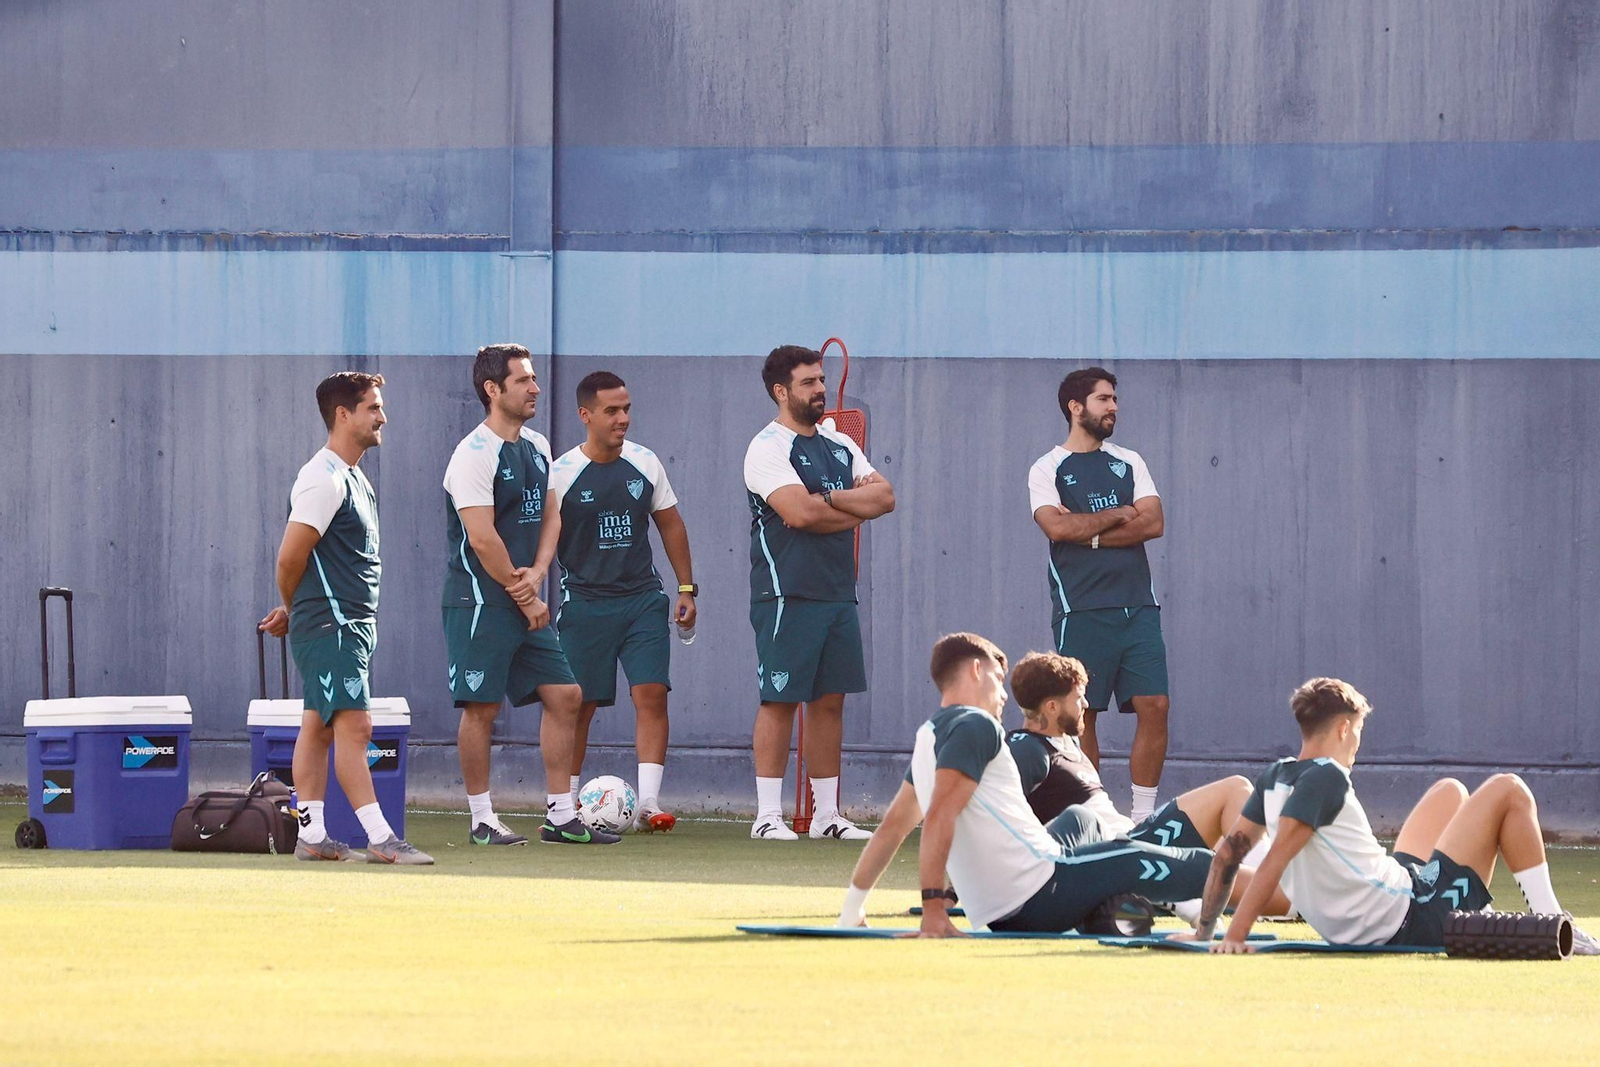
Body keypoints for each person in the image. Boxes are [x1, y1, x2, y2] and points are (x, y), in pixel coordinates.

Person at [1184, 677, 1599, 954]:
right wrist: (1233, 937)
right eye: (1359, 730)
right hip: (1414, 915)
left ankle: (1468, 896)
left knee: (1449, 791)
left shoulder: (1276, 776)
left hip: (1394, 890)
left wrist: (1204, 932)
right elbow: (1274, 861)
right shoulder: (1327, 778)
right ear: (1345, 728)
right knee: (1509, 788)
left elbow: (1227, 855)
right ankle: (1554, 918)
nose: (1359, 743)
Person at [838, 633, 1215, 935]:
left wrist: (852, 911)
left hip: (1004, 907)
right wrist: (934, 909)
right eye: (998, 680)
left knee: (1083, 820)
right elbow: (940, 816)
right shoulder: (977, 724)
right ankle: (1263, 890)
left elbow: (892, 828)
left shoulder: (929, 736)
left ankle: (1111, 903)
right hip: (1038, 894)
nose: (1005, 695)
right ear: (974, 670)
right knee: (1182, 861)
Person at [442, 344, 616, 847]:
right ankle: (481, 819)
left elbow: (551, 513)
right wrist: (525, 596)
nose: (535, 388)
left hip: (525, 598)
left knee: (565, 696)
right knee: (481, 708)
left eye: (534, 378)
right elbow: (481, 537)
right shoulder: (472, 454)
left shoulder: (538, 445)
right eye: (523, 380)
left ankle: (560, 816)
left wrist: (540, 570)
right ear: (493, 390)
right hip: (479, 601)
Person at [258, 371, 432, 865]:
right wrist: (298, 609)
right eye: (373, 408)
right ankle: (381, 838)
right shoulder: (323, 477)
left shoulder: (353, 476)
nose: (383, 416)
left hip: (345, 624)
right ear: (343, 415)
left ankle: (311, 837)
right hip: (333, 625)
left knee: (317, 726)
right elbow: (289, 558)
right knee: (355, 728)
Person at [1006, 650, 1293, 919]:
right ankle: (1294, 898)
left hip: (1136, 839)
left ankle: (1286, 884)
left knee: (1235, 793)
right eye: (1078, 697)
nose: (1084, 704)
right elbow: (1000, 812)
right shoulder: (1027, 749)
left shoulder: (1064, 741)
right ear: (1053, 707)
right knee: (1222, 839)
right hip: (1120, 857)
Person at [743, 345, 895, 841]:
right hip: (787, 592)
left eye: (821, 380)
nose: (821, 389)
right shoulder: (766, 447)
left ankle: (827, 815)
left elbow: (885, 497)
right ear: (781, 391)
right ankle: (767, 817)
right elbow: (798, 515)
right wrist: (850, 508)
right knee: (780, 698)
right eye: (808, 382)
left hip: (836, 591)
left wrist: (826, 500)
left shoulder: (837, 443)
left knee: (830, 701)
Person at [550, 371, 697, 832]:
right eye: (612, 410)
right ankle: (566, 804)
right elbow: (541, 540)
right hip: (584, 604)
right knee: (580, 705)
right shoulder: (560, 473)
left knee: (652, 694)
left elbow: (671, 524)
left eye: (627, 409)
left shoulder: (645, 462)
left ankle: (649, 804)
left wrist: (686, 588)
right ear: (585, 415)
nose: (623, 419)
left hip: (641, 600)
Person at [1028, 367, 1169, 822]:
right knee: (1083, 716)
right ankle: (1097, 813)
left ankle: (1143, 817)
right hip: (1081, 609)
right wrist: (1119, 514)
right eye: (1104, 399)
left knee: (1155, 705)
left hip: (1138, 607)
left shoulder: (1130, 461)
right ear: (1076, 407)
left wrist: (1088, 529)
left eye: (1114, 399)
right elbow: (1056, 526)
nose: (1114, 407)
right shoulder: (1046, 467)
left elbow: (1153, 523)